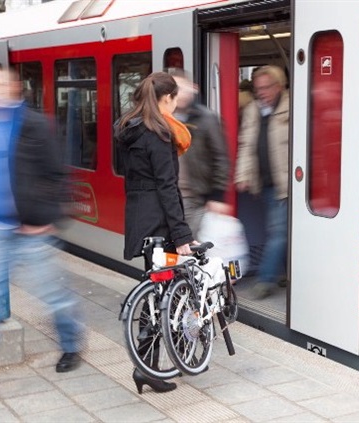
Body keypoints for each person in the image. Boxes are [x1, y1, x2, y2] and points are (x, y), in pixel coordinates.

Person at [0, 65, 82, 416]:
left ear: (9, 86)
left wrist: (42, 219)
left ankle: (72, 342)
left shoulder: (34, 124)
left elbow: (56, 175)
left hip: (29, 229)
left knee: (53, 295)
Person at [114, 71, 195, 393]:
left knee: (156, 293)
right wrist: (184, 235)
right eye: (175, 99)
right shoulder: (160, 135)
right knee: (164, 295)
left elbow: (128, 175)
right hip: (161, 223)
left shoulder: (129, 130)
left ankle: (149, 365)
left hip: (140, 220)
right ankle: (150, 366)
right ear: (168, 98)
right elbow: (167, 187)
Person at [235, 65, 290, 300]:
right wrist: (242, 175)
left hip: (289, 183)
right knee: (282, 231)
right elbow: (247, 144)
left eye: (266, 87)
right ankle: (287, 272)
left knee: (278, 232)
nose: (262, 92)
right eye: (258, 88)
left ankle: (266, 279)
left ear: (279, 86)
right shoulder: (253, 111)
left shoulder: (292, 107)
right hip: (267, 184)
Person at [169, 71, 232, 238]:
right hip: (167, 199)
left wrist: (217, 196)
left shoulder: (207, 119)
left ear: (193, 89)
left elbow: (221, 158)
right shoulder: (162, 119)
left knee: (190, 249)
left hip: (194, 198)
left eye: (182, 88)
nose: (179, 94)